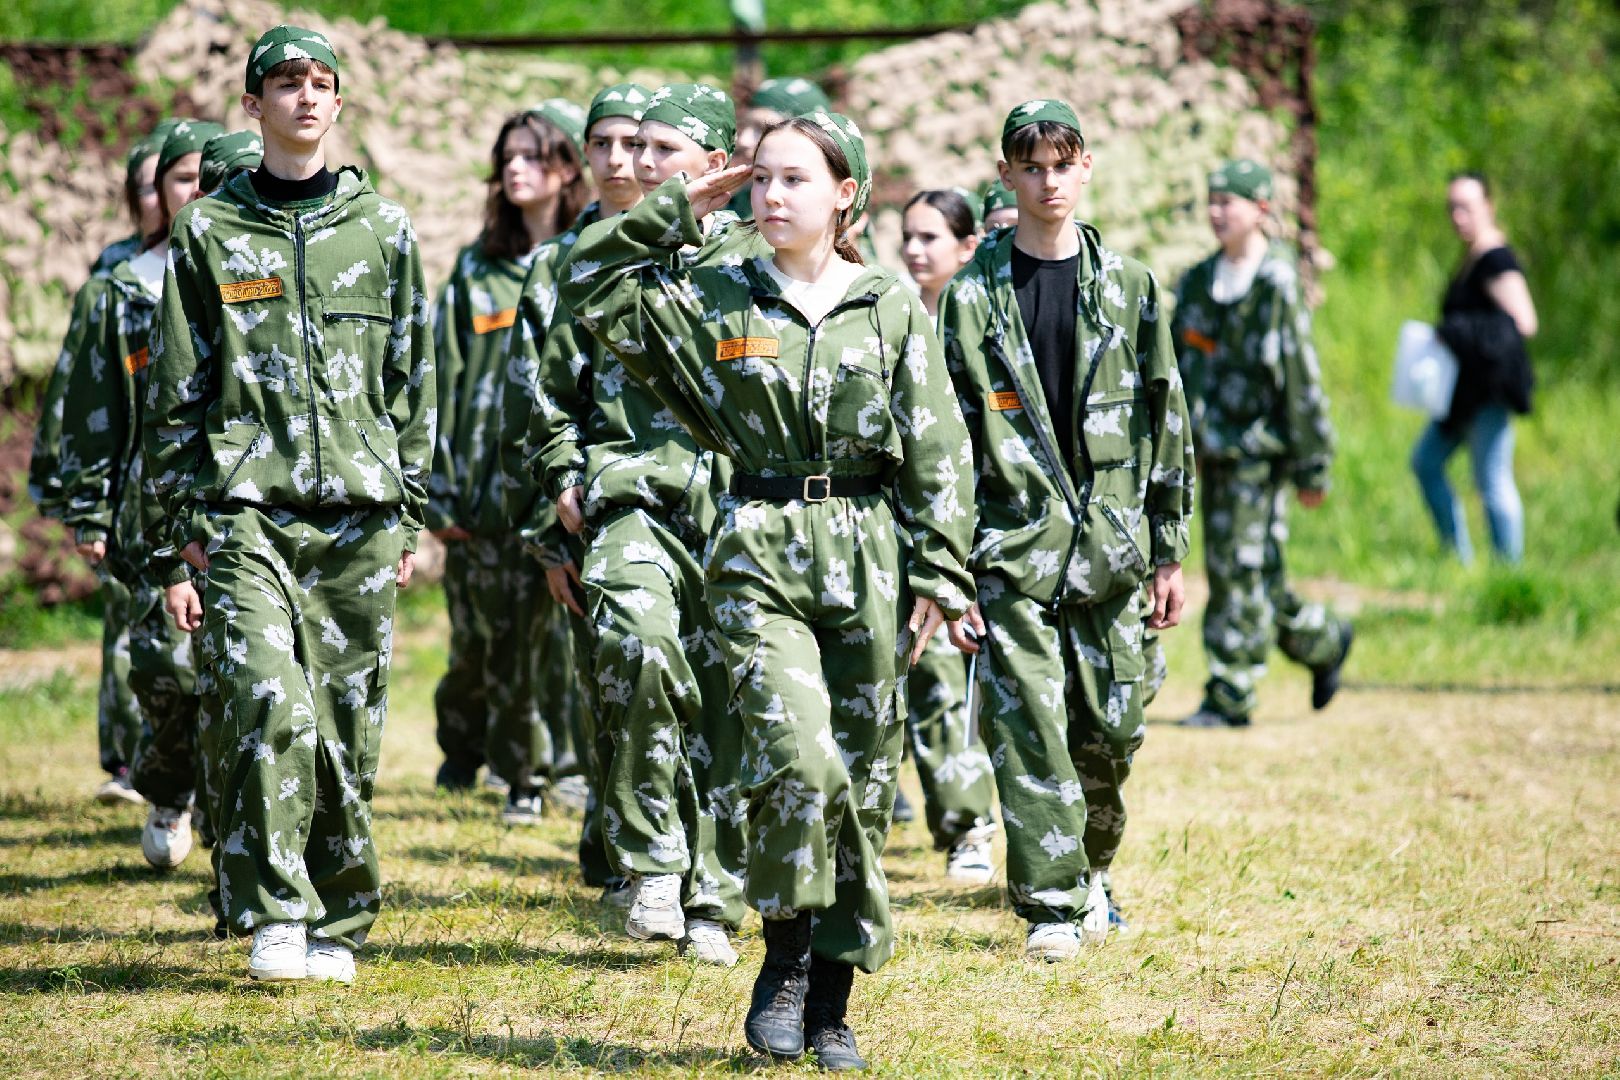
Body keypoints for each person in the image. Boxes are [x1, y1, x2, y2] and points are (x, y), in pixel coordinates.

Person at [560, 109, 975, 1069]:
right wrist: (672, 206)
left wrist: (939, 574)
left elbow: (939, 446)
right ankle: (785, 958)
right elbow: (589, 281)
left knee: (863, 783)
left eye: (795, 180)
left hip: (871, 549)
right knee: (798, 761)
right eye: (761, 180)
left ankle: (831, 999)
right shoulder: (718, 294)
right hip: (759, 543)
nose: (772, 196)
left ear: (845, 195)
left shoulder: (889, 303)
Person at [144, 25, 434, 985]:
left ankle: (338, 920)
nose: (306, 98)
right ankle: (275, 908)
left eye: (322, 83)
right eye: (285, 83)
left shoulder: (384, 231)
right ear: (252, 103)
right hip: (246, 513)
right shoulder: (210, 232)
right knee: (271, 702)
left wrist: (410, 511)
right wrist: (183, 526)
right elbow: (178, 388)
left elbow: (412, 384)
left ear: (340, 103)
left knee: (345, 726)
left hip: (358, 516)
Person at [939, 100, 1193, 961]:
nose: (1047, 180)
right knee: (1032, 728)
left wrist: (1169, 549)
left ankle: (1089, 871)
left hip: (1114, 551)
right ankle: (1052, 908)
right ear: (1008, 175)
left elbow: (1167, 418)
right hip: (1011, 549)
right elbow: (948, 439)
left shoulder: (1129, 286)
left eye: (1062, 162)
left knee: (1111, 733)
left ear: (1086, 168)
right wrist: (944, 569)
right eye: (1030, 166)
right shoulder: (970, 299)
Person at [536, 82, 759, 966]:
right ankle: (656, 860)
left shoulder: (756, 257)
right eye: (633, 148)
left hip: (743, 506)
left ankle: (716, 891)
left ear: (717, 163)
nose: (640, 164)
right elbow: (551, 389)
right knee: (639, 648)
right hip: (633, 497)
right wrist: (561, 475)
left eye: (665, 151)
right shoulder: (609, 254)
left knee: (732, 695)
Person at [57, 120, 223, 875]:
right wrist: (88, 506)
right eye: (179, 179)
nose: (193, 192)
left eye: (203, 178)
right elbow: (91, 406)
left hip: (233, 508)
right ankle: (165, 783)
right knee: (163, 666)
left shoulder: (251, 277)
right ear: (155, 192)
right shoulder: (120, 290)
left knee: (233, 669)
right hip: (144, 512)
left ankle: (230, 812)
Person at [500, 82, 653, 898]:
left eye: (637, 144)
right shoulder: (555, 266)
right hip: (584, 513)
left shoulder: (689, 253)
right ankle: (618, 853)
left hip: (678, 506)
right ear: (583, 157)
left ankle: (664, 858)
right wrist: (547, 535)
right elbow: (528, 401)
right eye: (604, 145)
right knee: (604, 686)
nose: (622, 161)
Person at [427, 102, 589, 823]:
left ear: (566, 167)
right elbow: (439, 379)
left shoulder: (592, 254)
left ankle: (566, 765)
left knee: (567, 635)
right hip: (486, 493)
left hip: (566, 484)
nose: (517, 169)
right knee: (489, 640)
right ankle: (482, 757)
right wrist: (438, 491)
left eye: (533, 155)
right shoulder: (477, 269)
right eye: (508, 158)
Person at [29, 119, 184, 807]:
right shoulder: (118, 276)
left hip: (187, 493)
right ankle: (128, 760)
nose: (160, 197)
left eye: (172, 182)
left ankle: (170, 773)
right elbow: (82, 386)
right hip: (129, 487)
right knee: (130, 625)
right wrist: (75, 490)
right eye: (149, 186)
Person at [1171, 160, 1353, 729]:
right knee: (1255, 574)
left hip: (1258, 453)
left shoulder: (1274, 284)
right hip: (1208, 451)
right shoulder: (1199, 280)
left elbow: (1300, 377)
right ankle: (1322, 638)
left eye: (1231, 201)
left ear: (1262, 210)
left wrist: (1312, 464)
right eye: (1213, 200)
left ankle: (1231, 693)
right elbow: (1178, 367)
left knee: (1240, 569)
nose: (1218, 212)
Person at [898, 187, 999, 882]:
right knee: (920, 674)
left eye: (930, 238)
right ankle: (961, 824)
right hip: (904, 527)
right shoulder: (890, 318)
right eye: (907, 236)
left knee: (963, 683)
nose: (913, 250)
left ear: (968, 247)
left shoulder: (986, 330)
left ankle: (983, 826)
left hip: (977, 527)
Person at [1410, 171, 1536, 564]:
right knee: (1426, 461)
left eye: (1465, 207)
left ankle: (1509, 573)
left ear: (1488, 207)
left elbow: (1523, 322)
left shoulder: (1496, 258)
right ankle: (1457, 558)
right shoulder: (1472, 258)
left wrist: (1458, 330)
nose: (1457, 216)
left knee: (1492, 479)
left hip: (1489, 392)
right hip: (1461, 393)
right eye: (1452, 208)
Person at [728, 76, 833, 219]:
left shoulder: (832, 216)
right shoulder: (738, 200)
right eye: (746, 126)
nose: (743, 141)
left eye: (762, 129)